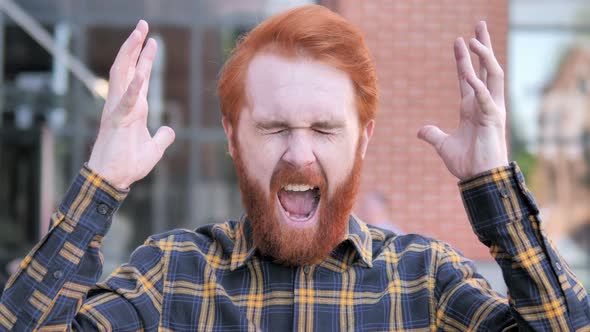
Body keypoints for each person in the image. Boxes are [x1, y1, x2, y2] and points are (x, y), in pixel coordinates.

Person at [1, 5, 589, 331]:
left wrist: (492, 184)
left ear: (363, 141)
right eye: (275, 127)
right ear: (233, 138)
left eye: (326, 129)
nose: (300, 154)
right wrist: (102, 179)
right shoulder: (169, 276)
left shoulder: (424, 281)